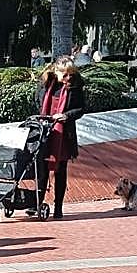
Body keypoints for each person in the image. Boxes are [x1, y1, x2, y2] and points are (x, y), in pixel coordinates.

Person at [36, 57, 85, 219]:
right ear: (56, 71)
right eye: (65, 74)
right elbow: (37, 100)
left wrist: (66, 116)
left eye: (70, 74)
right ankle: (38, 203)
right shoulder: (45, 84)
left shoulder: (75, 87)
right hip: (45, 130)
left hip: (64, 133)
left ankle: (58, 207)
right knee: (41, 169)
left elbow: (81, 109)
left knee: (61, 170)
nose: (68, 78)